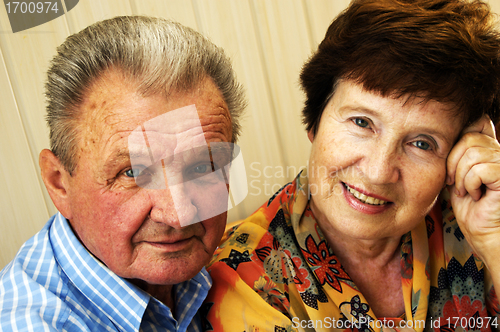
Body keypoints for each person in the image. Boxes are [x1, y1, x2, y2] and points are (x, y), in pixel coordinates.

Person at [205, 0, 500, 331]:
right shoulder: (244, 275)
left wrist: (494, 239)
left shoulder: (479, 222)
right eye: (362, 122)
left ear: (458, 155)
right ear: (314, 123)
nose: (377, 172)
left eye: (421, 144)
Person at [0, 16, 245, 331]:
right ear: (59, 184)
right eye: (133, 171)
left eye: (202, 167)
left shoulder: (235, 268)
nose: (178, 213)